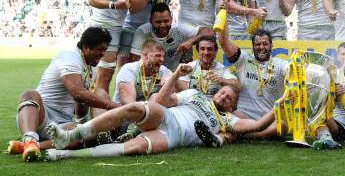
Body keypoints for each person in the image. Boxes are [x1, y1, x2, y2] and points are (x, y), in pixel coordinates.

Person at [43, 64, 275, 160]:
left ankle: (68, 154)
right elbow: (161, 100)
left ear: (231, 105)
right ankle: (72, 135)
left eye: (229, 98)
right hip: (167, 116)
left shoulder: (228, 120)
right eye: (223, 92)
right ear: (215, 93)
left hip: (175, 136)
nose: (225, 96)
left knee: (136, 148)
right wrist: (175, 75)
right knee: (136, 107)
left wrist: (280, 105)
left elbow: (257, 126)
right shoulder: (195, 94)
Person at [7, 27, 119, 161]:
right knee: (30, 94)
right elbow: (77, 93)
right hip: (41, 116)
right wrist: (115, 107)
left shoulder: (90, 70)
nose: (103, 54)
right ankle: (30, 137)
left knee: (85, 133)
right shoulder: (70, 56)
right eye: (100, 49)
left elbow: (80, 108)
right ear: (86, 47)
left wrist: (86, 124)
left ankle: (31, 145)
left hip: (63, 123)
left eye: (105, 50)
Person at [217, 19, 288, 138]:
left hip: (269, 117)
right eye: (257, 44)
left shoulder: (280, 64)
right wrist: (223, 11)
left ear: (271, 46)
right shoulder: (244, 60)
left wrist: (292, 71)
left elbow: (290, 70)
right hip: (245, 115)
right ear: (253, 46)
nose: (261, 47)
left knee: (282, 126)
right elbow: (224, 42)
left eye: (265, 44)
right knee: (229, 118)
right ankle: (254, 134)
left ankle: (247, 135)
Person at [130, 3, 207, 70]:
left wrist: (191, 41)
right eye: (158, 22)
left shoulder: (179, 29)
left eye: (166, 21)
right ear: (150, 21)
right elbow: (134, 61)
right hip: (150, 73)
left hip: (174, 75)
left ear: (171, 19)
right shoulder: (142, 32)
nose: (162, 25)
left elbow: (208, 32)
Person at [113, 39, 170, 105]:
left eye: (163, 56)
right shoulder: (129, 70)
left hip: (146, 111)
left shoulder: (163, 70)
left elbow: (178, 91)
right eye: (157, 56)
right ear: (145, 56)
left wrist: (172, 77)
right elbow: (128, 103)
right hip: (124, 112)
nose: (162, 60)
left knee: (157, 96)